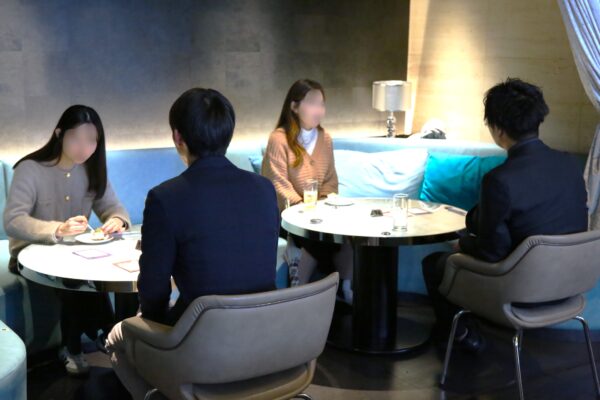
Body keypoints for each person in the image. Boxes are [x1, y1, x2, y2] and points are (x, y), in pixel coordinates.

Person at [106, 88, 280, 400]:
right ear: (228, 133)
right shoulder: (265, 189)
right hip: (267, 341)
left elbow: (153, 290)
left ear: (178, 137)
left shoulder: (165, 198)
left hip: (203, 349)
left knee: (116, 338)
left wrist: (155, 328)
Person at [422, 78, 588, 353]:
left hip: (521, 288)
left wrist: (461, 244)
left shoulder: (499, 180)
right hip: (570, 285)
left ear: (498, 129)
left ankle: (462, 336)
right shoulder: (569, 163)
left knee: (434, 263)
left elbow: (492, 252)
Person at [3, 105, 131, 375]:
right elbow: (13, 221)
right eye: (76, 138)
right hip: (29, 254)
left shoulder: (92, 169)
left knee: (112, 272)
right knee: (74, 280)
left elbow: (113, 208)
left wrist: (117, 220)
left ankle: (113, 334)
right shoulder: (30, 169)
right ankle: (80, 344)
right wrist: (58, 229)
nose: (83, 147)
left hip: (74, 252)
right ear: (59, 134)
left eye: (91, 140)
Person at [262, 79, 353, 302]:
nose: (318, 110)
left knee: (346, 233)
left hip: (319, 214)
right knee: (319, 237)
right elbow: (277, 184)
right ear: (294, 106)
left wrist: (322, 207)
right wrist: (302, 209)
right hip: (286, 216)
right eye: (312, 103)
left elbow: (330, 181)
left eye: (321, 104)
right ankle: (307, 289)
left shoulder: (326, 138)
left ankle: (345, 287)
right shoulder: (279, 139)